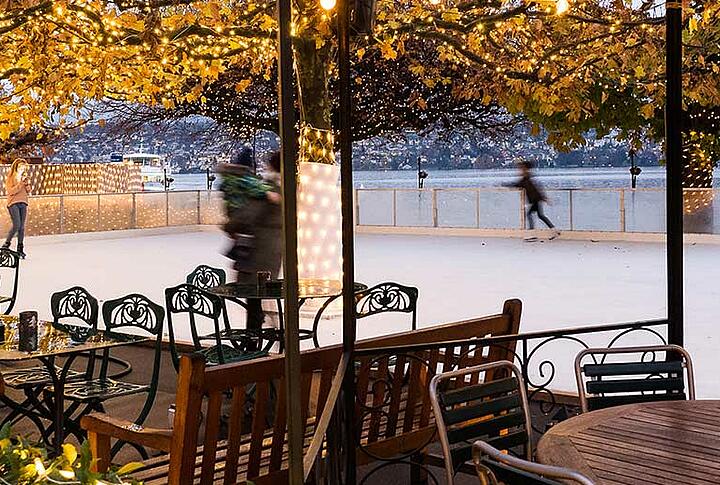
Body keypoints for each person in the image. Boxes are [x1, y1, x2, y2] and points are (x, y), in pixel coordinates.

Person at [219, 149, 281, 349]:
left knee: (253, 296)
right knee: (262, 294)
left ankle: (252, 341)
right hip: (276, 249)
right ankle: (265, 333)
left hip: (258, 250)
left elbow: (247, 215)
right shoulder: (288, 188)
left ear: (270, 165)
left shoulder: (266, 188)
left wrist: (229, 226)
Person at [508, 161, 560, 242]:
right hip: (536, 199)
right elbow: (519, 184)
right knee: (540, 216)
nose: (520, 170)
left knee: (530, 215)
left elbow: (532, 189)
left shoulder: (527, 178)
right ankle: (554, 231)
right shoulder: (527, 178)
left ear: (525, 168)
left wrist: (543, 198)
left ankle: (533, 234)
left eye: (521, 168)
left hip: (535, 200)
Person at [3, 158, 31, 258]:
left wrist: (27, 184)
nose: (22, 169)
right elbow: (11, 191)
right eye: (20, 167)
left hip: (23, 202)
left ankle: (20, 248)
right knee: (17, 225)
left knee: (22, 227)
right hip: (13, 203)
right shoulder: (11, 177)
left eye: (23, 167)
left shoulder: (24, 177)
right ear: (16, 166)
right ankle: (6, 244)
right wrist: (20, 184)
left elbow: (28, 191)